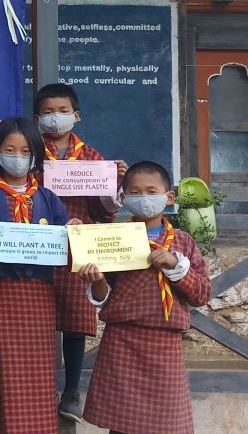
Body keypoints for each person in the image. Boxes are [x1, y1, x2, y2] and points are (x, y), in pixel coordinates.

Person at [79, 161, 211, 434]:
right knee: (122, 424)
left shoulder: (183, 242)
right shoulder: (113, 238)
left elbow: (202, 294)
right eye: (136, 193)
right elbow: (104, 297)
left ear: (169, 197)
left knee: (166, 425)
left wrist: (174, 264)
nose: (144, 198)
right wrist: (98, 280)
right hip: (122, 340)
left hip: (165, 343)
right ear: (124, 198)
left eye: (152, 192)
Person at [0, 118, 80, 434]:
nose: (17, 157)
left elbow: (68, 252)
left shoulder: (48, 199)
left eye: (25, 151)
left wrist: (73, 233)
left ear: (36, 156)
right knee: (0, 365)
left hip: (39, 294)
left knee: (38, 368)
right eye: (9, 150)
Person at [33, 82, 127, 419]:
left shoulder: (92, 158)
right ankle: (40, 391)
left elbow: (102, 211)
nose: (55, 118)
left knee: (74, 319)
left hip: (78, 244)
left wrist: (114, 184)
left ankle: (71, 391)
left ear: (76, 116)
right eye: (47, 112)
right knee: (38, 321)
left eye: (62, 111)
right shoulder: (30, 152)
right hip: (37, 244)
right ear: (37, 118)